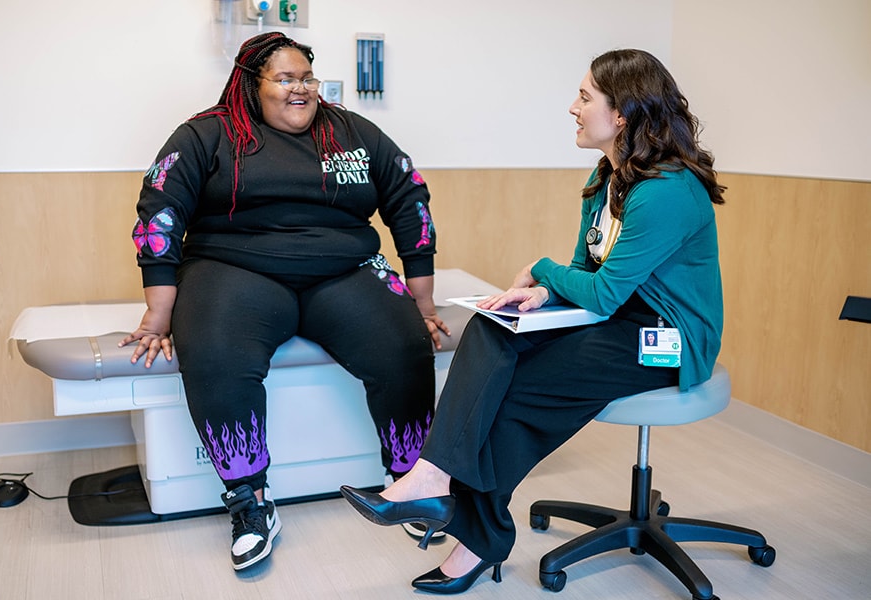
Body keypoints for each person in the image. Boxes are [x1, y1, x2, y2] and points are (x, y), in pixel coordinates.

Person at [340, 48, 725, 594]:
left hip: (668, 338)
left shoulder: (667, 191)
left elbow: (608, 292)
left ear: (621, 114)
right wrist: (542, 293)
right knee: (492, 326)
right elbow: (584, 272)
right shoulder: (608, 177)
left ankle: (476, 539)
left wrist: (541, 270)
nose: (573, 106)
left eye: (585, 96)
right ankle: (431, 475)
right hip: (616, 316)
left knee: (520, 390)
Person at [120, 31, 449, 571]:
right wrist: (158, 314)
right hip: (232, 267)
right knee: (217, 354)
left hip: (344, 268)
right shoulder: (206, 134)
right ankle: (250, 501)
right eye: (286, 79)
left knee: (404, 344)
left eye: (307, 78)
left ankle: (411, 480)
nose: (301, 89)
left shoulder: (350, 131)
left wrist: (425, 301)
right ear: (252, 85)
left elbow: (409, 198)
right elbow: (159, 215)